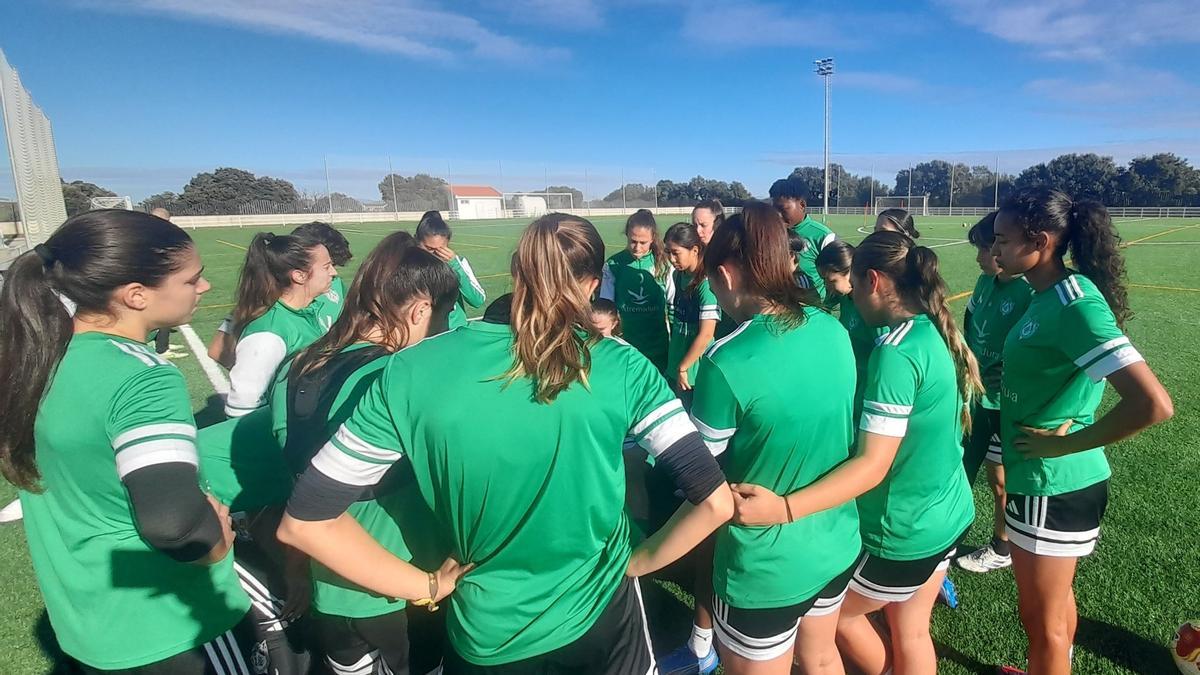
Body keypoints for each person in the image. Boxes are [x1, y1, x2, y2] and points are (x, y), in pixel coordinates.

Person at [278, 213, 734, 674]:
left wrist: (428, 585)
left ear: (517, 272)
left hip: (487, 635)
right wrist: (639, 561)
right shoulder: (622, 365)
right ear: (593, 284)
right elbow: (714, 501)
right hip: (604, 614)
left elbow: (305, 523)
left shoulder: (409, 371)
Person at [0, 210, 252, 673]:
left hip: (86, 626)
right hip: (171, 626)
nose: (205, 288)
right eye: (191, 280)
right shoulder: (142, 378)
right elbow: (172, 522)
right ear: (136, 295)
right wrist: (214, 545)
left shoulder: (38, 359)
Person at [736, 230, 980, 675]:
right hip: (949, 514)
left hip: (901, 531)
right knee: (911, 631)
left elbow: (872, 465)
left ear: (871, 280)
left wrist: (784, 508)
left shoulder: (895, 353)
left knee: (826, 618)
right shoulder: (936, 329)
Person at [990, 188, 1172, 675]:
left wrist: (1064, 443)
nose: (994, 252)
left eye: (1003, 241)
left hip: (1053, 484)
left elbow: (1152, 404)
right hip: (1042, 480)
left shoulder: (1073, 303)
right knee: (1054, 609)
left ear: (1042, 242)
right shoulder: (1045, 294)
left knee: (1041, 622)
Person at [275, 231, 459, 675]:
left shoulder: (298, 364)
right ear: (420, 311)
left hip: (330, 589)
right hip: (402, 587)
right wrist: (431, 584)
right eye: (445, 316)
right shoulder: (401, 377)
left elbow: (294, 478)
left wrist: (296, 570)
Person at [693, 201, 861, 675]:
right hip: (835, 539)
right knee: (823, 659)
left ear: (726, 274)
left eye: (710, 278)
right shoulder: (832, 328)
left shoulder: (725, 361)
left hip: (764, 564)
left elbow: (701, 480)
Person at [954, 213, 1033, 575]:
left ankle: (1003, 545)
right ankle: (948, 542)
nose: (979, 257)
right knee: (964, 471)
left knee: (1003, 480)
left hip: (1008, 405)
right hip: (976, 396)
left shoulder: (1030, 291)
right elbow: (970, 322)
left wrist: (1012, 369)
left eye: (983, 248)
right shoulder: (985, 283)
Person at [208, 222, 352, 369]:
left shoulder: (336, 285)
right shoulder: (268, 301)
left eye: (333, 265)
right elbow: (218, 350)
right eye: (327, 265)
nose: (334, 272)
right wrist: (271, 381)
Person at [224, 233, 335, 418]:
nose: (334, 272)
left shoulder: (309, 309)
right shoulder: (268, 335)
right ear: (300, 276)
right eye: (327, 267)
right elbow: (241, 409)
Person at [817, 240, 888, 422]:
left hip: (868, 382)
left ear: (851, 273)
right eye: (824, 280)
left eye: (831, 280)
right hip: (851, 376)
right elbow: (820, 307)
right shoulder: (844, 296)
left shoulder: (870, 307)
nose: (827, 286)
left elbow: (885, 353)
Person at [599, 208, 673, 373]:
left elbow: (673, 304)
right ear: (626, 234)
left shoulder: (664, 263)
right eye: (633, 241)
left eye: (643, 242)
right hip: (626, 348)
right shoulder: (613, 265)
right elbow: (606, 308)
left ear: (653, 238)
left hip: (659, 349)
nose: (637, 247)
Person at [664, 222, 719, 400]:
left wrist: (684, 367)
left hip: (693, 370)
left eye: (676, 253)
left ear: (694, 250)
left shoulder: (705, 284)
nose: (671, 259)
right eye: (668, 252)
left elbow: (706, 334)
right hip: (677, 361)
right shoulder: (677, 275)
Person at [416, 210, 486, 329]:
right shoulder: (407, 266)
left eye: (441, 249)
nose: (435, 254)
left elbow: (478, 300)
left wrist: (455, 266)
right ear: (416, 241)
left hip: (454, 332)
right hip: (421, 336)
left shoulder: (457, 263)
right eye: (429, 248)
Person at [769, 180, 835, 301]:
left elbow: (838, 276)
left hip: (813, 311)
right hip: (778, 309)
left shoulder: (822, 236)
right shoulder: (770, 233)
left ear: (802, 205)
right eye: (774, 210)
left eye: (782, 209)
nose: (777, 215)